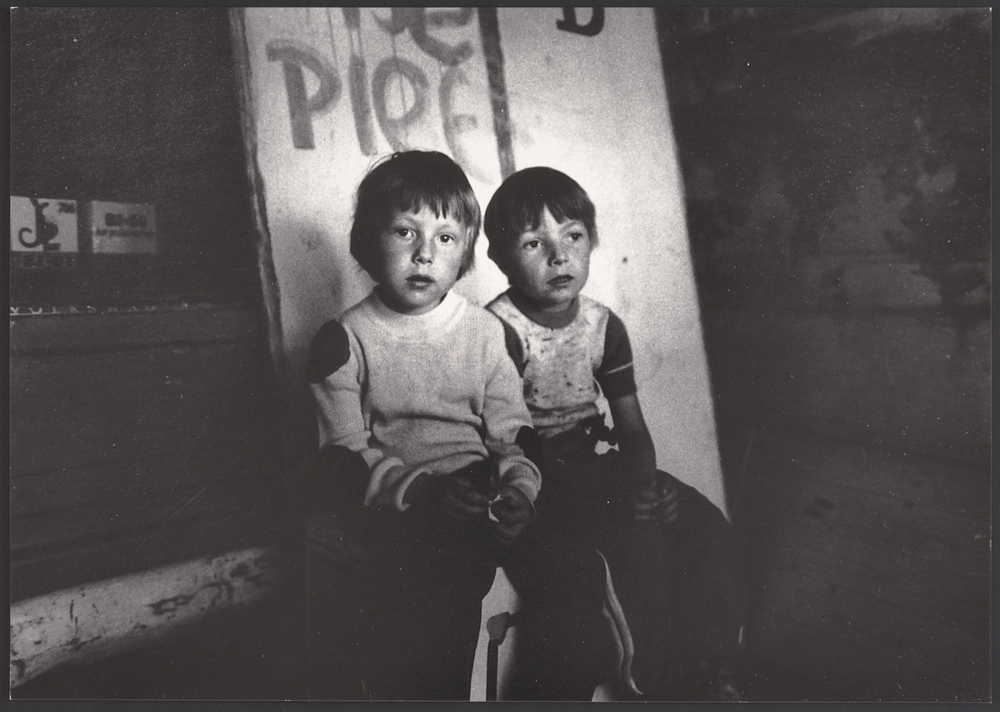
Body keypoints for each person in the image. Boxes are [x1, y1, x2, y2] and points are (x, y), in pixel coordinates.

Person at [484, 166, 746, 701]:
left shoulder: (603, 326)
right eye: (534, 243)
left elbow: (631, 427)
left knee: (702, 524)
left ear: (592, 241)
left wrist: (646, 484)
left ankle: (710, 673)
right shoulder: (496, 330)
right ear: (499, 257)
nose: (559, 257)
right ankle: (649, 683)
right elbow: (500, 441)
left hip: (596, 462)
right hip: (535, 476)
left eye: (573, 237)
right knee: (632, 544)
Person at [302, 151, 541, 700]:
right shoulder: (344, 340)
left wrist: (520, 492)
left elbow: (514, 436)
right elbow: (343, 457)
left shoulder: (488, 334)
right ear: (368, 241)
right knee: (430, 582)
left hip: (479, 495)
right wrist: (426, 493)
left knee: (569, 565)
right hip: (399, 506)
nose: (424, 254)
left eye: (445, 238)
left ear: (464, 253)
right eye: (405, 232)